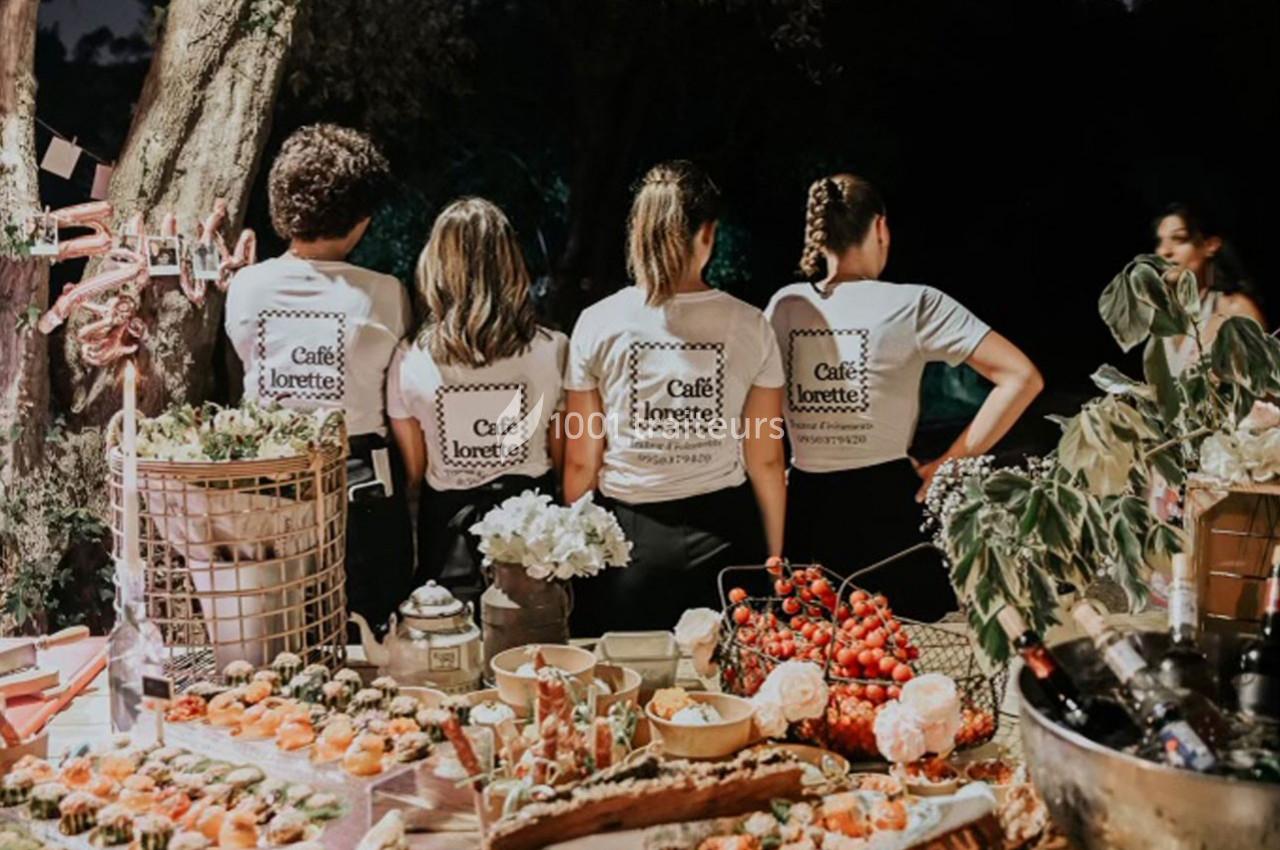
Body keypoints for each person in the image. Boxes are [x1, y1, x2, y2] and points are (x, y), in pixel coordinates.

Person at [766, 174, 1042, 621]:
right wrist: (950, 462)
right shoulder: (915, 304)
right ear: (880, 228)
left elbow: (761, 409)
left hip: (805, 513)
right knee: (900, 660)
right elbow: (1021, 377)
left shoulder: (785, 305)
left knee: (807, 658)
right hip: (888, 509)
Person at [563, 160, 787, 634]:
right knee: (730, 698)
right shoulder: (751, 325)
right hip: (725, 537)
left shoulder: (598, 322)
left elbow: (582, 460)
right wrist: (773, 559)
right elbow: (765, 457)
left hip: (626, 544)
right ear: (707, 234)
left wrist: (572, 551)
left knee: (628, 696)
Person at [224, 123, 414, 632]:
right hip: (361, 482)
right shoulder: (386, 294)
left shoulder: (245, 288)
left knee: (276, 629)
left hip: (266, 481)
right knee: (369, 632)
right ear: (360, 220)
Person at [387, 198, 567, 605]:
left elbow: (415, 469)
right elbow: (560, 450)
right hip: (534, 532)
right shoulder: (554, 350)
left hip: (446, 536)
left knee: (449, 655)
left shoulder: (409, 358)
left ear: (436, 266)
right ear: (511, 263)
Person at [1154, 202, 1266, 375]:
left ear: (1210, 245)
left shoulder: (1234, 310)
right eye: (1161, 241)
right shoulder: (1164, 321)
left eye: (1179, 239)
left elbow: (1265, 386)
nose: (1165, 251)